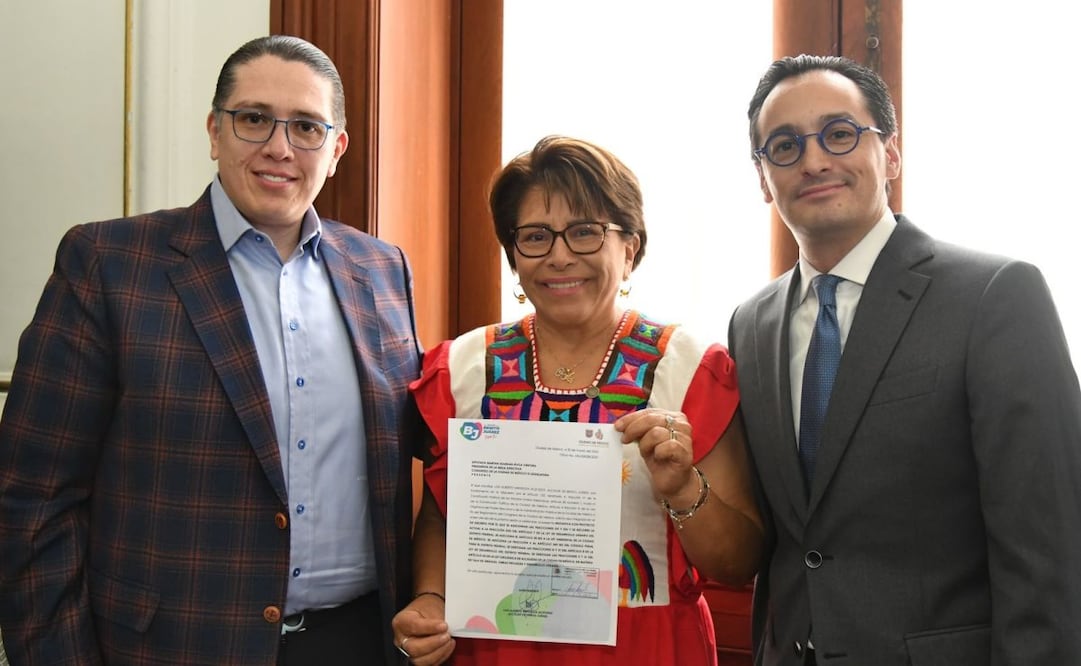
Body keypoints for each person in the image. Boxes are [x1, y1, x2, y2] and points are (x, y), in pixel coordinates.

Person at [0, 35, 423, 665]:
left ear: (335, 150)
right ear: (215, 131)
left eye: (306, 127)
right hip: (173, 647)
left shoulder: (381, 268)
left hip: (358, 642)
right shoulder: (108, 265)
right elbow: (32, 497)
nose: (279, 147)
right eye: (254, 119)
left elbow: (432, 441)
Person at [728, 53, 1081, 665]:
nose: (813, 160)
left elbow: (1048, 547)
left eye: (839, 134)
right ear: (763, 178)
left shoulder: (995, 295)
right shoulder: (749, 325)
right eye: (783, 146)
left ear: (890, 154)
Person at [390, 135, 764, 666]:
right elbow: (440, 515)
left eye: (586, 233)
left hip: (646, 649)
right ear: (514, 256)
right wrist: (430, 597)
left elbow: (739, 562)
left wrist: (683, 488)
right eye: (536, 237)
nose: (560, 256)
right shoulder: (462, 369)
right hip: (494, 647)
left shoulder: (689, 370)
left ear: (630, 248)